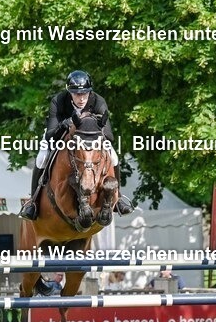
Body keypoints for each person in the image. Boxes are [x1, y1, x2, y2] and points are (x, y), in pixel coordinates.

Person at [19, 70, 134, 220]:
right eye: (76, 94)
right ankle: (33, 203)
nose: (81, 99)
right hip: (59, 135)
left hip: (90, 138)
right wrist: (64, 124)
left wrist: (91, 124)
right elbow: (50, 134)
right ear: (69, 92)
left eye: (84, 94)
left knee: (114, 157)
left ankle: (118, 199)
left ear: (89, 92)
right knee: (41, 158)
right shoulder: (58, 101)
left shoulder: (98, 102)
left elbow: (109, 135)